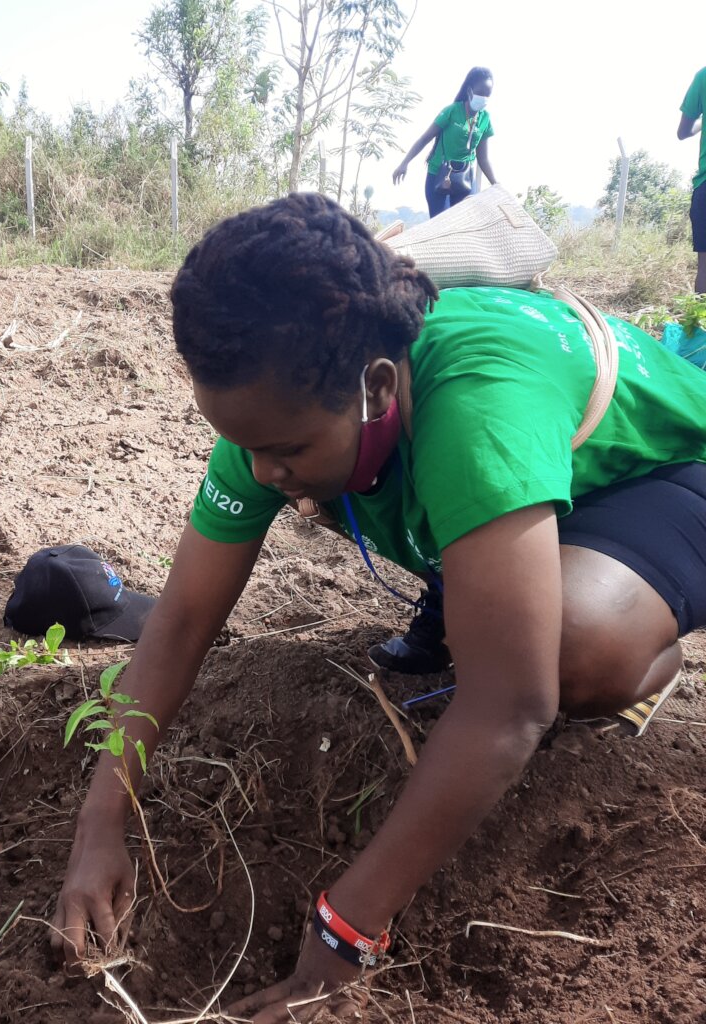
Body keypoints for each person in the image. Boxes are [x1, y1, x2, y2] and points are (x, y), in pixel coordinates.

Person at [51, 194, 706, 1024]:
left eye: (283, 450)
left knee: (573, 653)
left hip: (667, 477)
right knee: (420, 528)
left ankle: (643, 650)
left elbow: (511, 708)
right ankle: (480, 578)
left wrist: (346, 928)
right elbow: (179, 623)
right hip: (505, 488)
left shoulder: (475, 404)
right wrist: (101, 820)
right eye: (240, 444)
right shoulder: (279, 406)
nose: (259, 471)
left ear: (379, 385)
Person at [393, 67, 497, 219]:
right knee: (441, 226)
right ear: (469, 90)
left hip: (465, 180)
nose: (484, 97)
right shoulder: (452, 111)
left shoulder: (485, 119)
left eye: (487, 94)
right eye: (480, 92)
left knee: (463, 226)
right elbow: (424, 139)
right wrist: (404, 163)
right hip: (439, 177)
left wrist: (496, 184)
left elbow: (483, 159)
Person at [678, 66, 706, 295]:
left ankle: (702, 329)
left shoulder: (703, 76)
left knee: (705, 269)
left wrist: (702, 122)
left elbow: (683, 132)